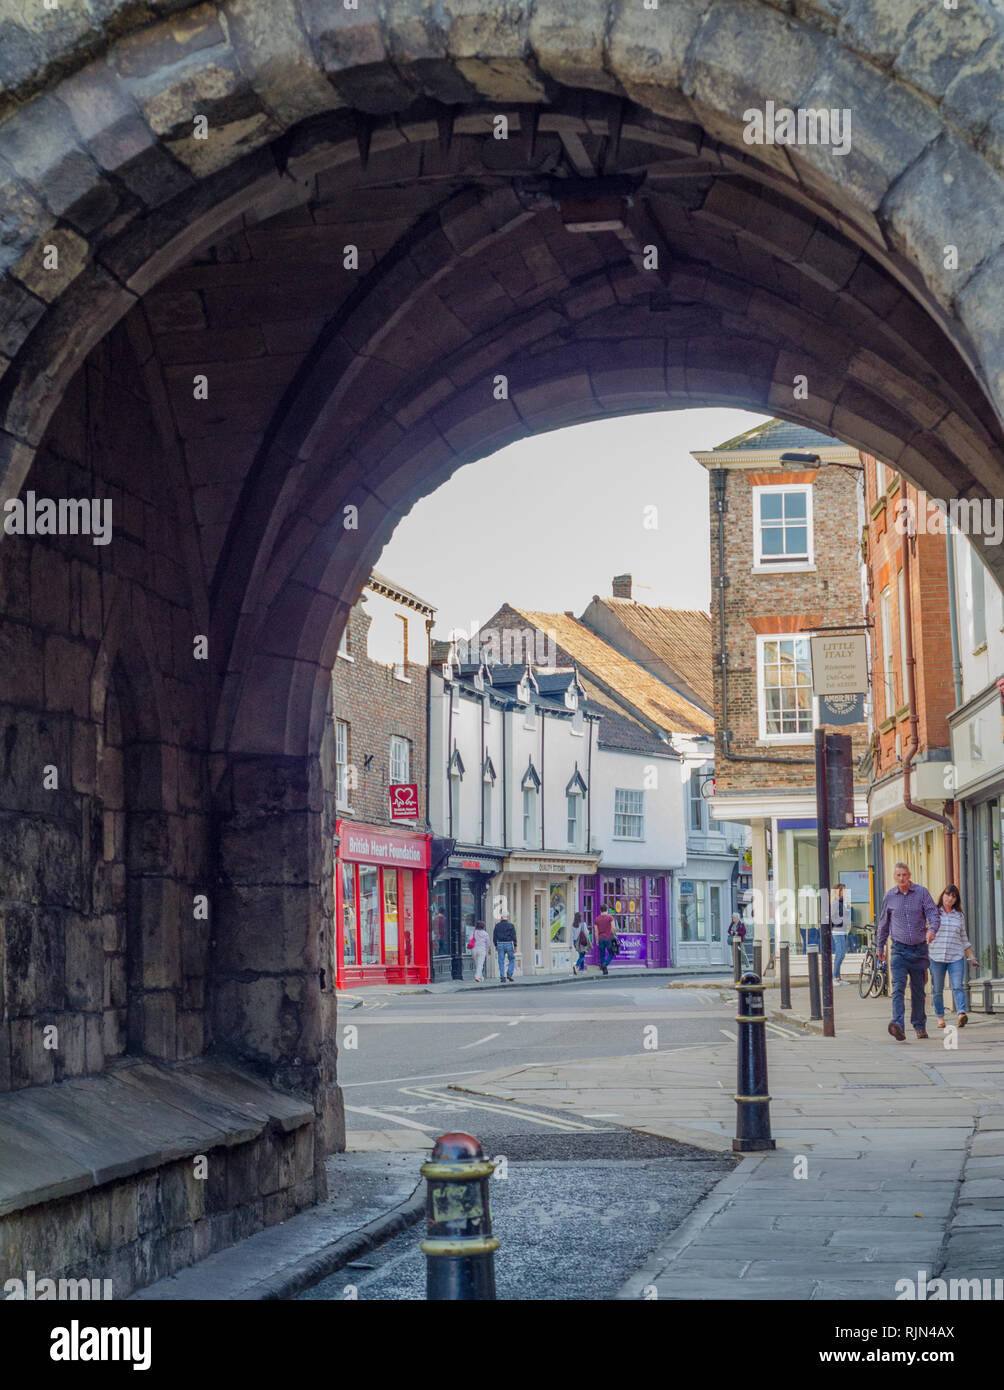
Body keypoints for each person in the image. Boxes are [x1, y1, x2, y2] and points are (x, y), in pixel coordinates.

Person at [877, 861, 939, 1041]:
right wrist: (880, 946)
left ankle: (919, 1025)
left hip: (919, 949)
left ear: (909, 875)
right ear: (894, 877)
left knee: (918, 990)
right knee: (898, 987)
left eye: (905, 875)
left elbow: (933, 913)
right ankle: (898, 1025)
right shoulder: (889, 897)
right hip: (899, 950)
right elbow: (883, 924)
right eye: (898, 875)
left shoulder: (921, 893)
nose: (902, 878)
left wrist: (932, 929)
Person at [927, 885, 977, 1028]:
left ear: (956, 900)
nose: (950, 898)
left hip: (955, 957)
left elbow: (963, 937)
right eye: (948, 895)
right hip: (936, 957)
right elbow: (925, 932)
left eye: (953, 896)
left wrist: (971, 957)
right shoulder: (934, 914)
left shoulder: (959, 916)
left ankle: (961, 1013)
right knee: (937, 989)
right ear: (943, 895)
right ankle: (940, 1018)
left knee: (957, 986)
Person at [830, 883, 849, 987]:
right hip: (837, 931)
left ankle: (838, 977)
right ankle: (834, 978)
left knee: (842, 954)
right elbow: (832, 917)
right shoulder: (835, 903)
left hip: (843, 931)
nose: (845, 892)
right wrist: (842, 921)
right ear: (839, 891)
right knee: (839, 954)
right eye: (843, 890)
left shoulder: (843, 902)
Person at [493, 914, 517, 984]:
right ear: (507, 918)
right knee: (512, 959)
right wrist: (515, 945)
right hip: (509, 943)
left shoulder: (497, 925)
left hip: (500, 943)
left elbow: (495, 936)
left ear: (501, 918)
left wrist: (496, 945)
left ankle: (502, 977)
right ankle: (509, 973)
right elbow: (513, 936)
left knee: (501, 961)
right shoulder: (511, 925)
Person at [594, 905, 616, 975]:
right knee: (612, 953)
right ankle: (605, 964)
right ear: (607, 910)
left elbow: (596, 931)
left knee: (602, 955)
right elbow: (613, 928)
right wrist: (613, 934)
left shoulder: (596, 919)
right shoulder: (610, 917)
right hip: (608, 938)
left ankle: (604, 970)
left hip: (601, 939)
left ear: (600, 910)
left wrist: (597, 940)